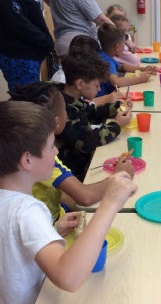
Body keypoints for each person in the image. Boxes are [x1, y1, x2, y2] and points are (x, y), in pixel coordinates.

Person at [0, 100, 136, 304]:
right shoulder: (27, 211)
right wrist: (110, 203)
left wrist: (52, 231)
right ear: (27, 159)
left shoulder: (10, 203)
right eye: (51, 146)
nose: (55, 152)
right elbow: (69, 278)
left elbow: (13, 248)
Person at [9, 81, 134, 222]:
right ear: (57, 121)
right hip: (52, 222)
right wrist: (119, 175)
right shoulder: (41, 157)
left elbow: (58, 189)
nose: (56, 150)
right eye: (65, 110)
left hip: (59, 217)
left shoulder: (26, 150)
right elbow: (86, 196)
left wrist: (78, 206)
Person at [56, 51, 132, 180]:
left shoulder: (72, 98)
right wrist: (117, 125)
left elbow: (92, 112)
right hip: (78, 172)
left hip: (86, 162)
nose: (99, 89)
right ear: (80, 84)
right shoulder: (64, 108)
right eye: (97, 85)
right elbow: (87, 142)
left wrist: (119, 106)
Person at [0, 0, 54, 93]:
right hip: (20, 56)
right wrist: (45, 41)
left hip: (29, 55)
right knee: (27, 99)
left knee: (31, 98)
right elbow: (15, 20)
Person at [50, 34, 123, 106]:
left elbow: (83, 104)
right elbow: (82, 105)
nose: (97, 59)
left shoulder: (80, 76)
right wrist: (106, 99)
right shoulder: (64, 79)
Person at [41, 0, 114, 57]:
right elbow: (100, 19)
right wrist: (120, 36)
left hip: (62, 41)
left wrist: (61, 9)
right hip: (80, 43)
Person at [97, 23, 157, 97]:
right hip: (105, 98)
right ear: (117, 47)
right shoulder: (106, 61)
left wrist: (144, 69)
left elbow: (121, 67)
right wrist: (140, 79)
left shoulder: (104, 54)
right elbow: (117, 82)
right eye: (124, 44)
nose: (124, 47)